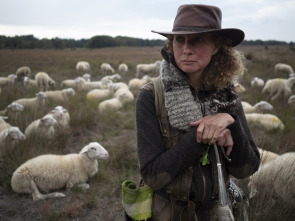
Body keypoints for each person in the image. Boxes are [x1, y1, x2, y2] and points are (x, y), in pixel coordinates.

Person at [135, 4, 260, 221]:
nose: (186, 48)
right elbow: (152, 176)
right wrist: (204, 133)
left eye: (198, 39)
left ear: (216, 46)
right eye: (180, 39)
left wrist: (229, 121)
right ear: (171, 43)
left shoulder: (228, 96)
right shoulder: (151, 96)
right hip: (169, 213)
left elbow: (245, 169)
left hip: (217, 211)